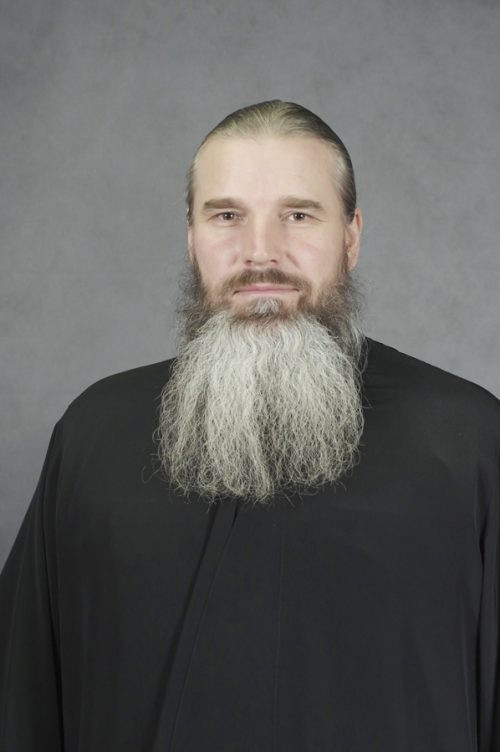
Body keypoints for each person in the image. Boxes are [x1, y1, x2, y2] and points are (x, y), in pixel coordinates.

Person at [0, 100, 498, 752]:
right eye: (227, 216)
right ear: (191, 238)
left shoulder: (466, 442)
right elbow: (23, 705)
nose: (261, 253)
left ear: (351, 237)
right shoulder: (95, 436)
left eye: (299, 215)